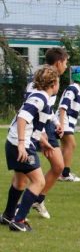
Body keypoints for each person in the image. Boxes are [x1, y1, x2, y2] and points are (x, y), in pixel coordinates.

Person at [1, 65, 60, 232]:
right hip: (20, 145)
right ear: (53, 83)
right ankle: (18, 221)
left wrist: (43, 140)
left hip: (14, 143)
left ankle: (8, 215)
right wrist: (21, 144)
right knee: (39, 182)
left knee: (20, 181)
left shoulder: (40, 98)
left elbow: (32, 124)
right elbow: (22, 118)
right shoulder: (40, 98)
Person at [24, 47, 68, 219]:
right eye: (65, 62)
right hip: (33, 128)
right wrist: (40, 133)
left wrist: (57, 122)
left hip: (47, 126)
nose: (66, 65)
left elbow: (47, 108)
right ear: (59, 62)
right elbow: (31, 106)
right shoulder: (39, 78)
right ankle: (15, 213)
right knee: (21, 176)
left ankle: (37, 199)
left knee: (58, 166)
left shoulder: (53, 79)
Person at [57, 66, 80, 181]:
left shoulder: (78, 90)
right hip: (64, 120)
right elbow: (63, 107)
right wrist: (61, 124)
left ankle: (58, 171)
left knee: (65, 146)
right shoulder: (73, 88)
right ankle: (65, 174)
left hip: (67, 122)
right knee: (71, 145)